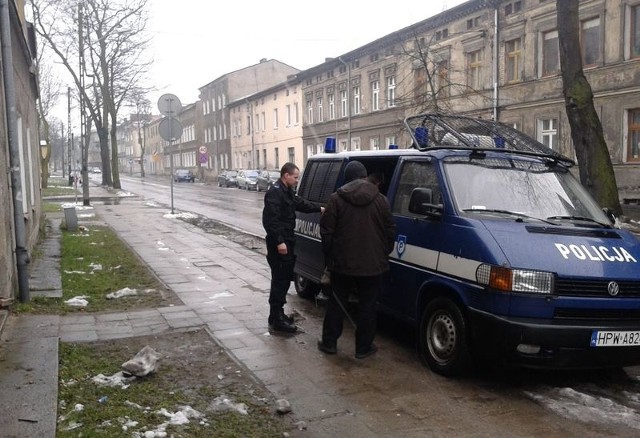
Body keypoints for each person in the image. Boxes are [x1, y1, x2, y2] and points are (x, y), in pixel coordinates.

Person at [318, 161, 396, 358]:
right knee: (368, 306)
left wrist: (331, 259)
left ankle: (329, 343)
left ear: (347, 178)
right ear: (364, 176)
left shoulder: (336, 199)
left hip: (342, 264)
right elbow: (390, 233)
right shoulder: (381, 200)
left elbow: (327, 233)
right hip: (373, 265)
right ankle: (363, 348)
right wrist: (382, 254)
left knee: (336, 303)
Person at [262, 162, 324, 333]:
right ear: (286, 175)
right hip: (280, 245)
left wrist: (319, 208)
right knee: (280, 281)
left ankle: (276, 315)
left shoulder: (286, 191)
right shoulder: (275, 193)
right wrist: (280, 242)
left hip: (287, 241)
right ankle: (277, 319)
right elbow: (270, 221)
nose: (297, 180)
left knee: (282, 280)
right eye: (295, 177)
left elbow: (300, 203)